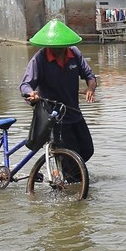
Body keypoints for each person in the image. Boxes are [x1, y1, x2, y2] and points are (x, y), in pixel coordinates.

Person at [19, 19, 97, 162]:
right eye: (54, 47)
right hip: (54, 116)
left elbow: (89, 75)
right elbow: (25, 84)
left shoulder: (74, 53)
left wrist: (90, 88)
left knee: (87, 150)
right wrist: (31, 93)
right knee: (69, 158)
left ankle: (69, 173)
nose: (58, 50)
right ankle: (67, 178)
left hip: (73, 111)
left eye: (61, 47)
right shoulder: (40, 59)